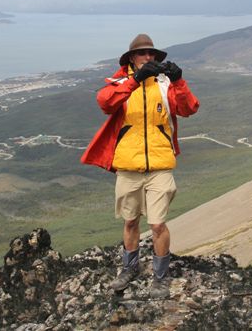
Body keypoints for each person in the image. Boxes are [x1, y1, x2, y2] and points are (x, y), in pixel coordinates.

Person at [80, 33, 199, 298]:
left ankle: (160, 278)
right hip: (128, 165)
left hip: (159, 164)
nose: (149, 58)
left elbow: (189, 108)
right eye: (143, 54)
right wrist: (135, 80)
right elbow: (105, 102)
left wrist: (179, 81)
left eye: (152, 54)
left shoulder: (165, 84)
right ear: (132, 58)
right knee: (131, 221)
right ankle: (129, 268)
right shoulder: (121, 82)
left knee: (157, 225)